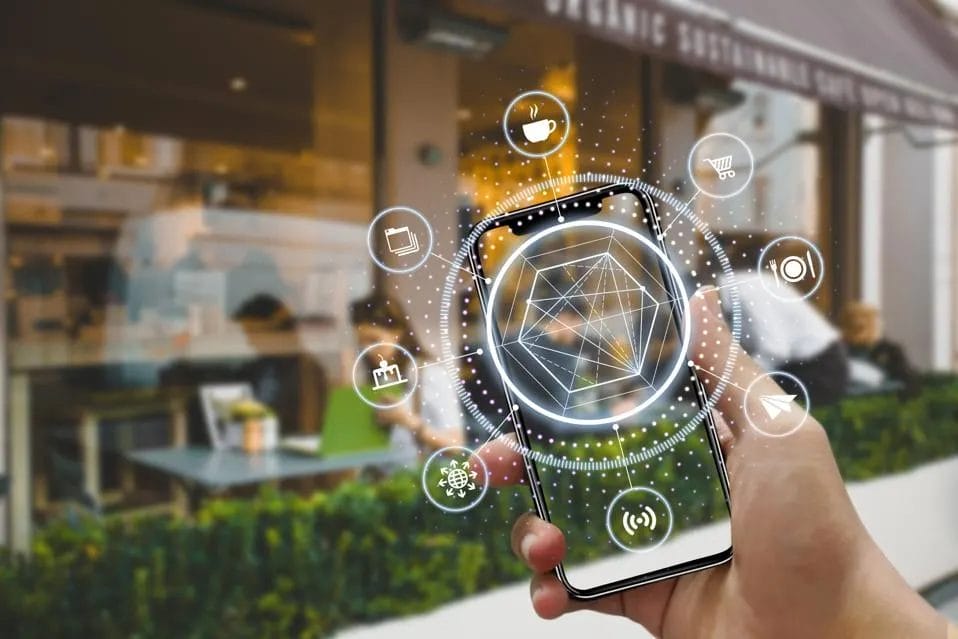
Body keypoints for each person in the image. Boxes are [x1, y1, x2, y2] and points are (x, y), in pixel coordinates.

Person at [477, 287, 949, 638]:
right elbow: (567, 414)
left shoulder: (747, 301)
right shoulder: (536, 350)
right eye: (576, 319)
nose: (583, 332)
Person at [349, 293, 464, 464]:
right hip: (384, 480)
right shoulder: (376, 377)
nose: (367, 349)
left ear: (397, 332)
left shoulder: (430, 374)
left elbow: (456, 445)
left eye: (374, 339)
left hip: (419, 480)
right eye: (361, 342)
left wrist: (408, 421)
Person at [841, 301, 919, 396]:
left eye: (866, 320)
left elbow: (909, 383)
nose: (859, 323)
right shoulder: (837, 353)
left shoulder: (891, 352)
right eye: (852, 322)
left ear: (875, 325)